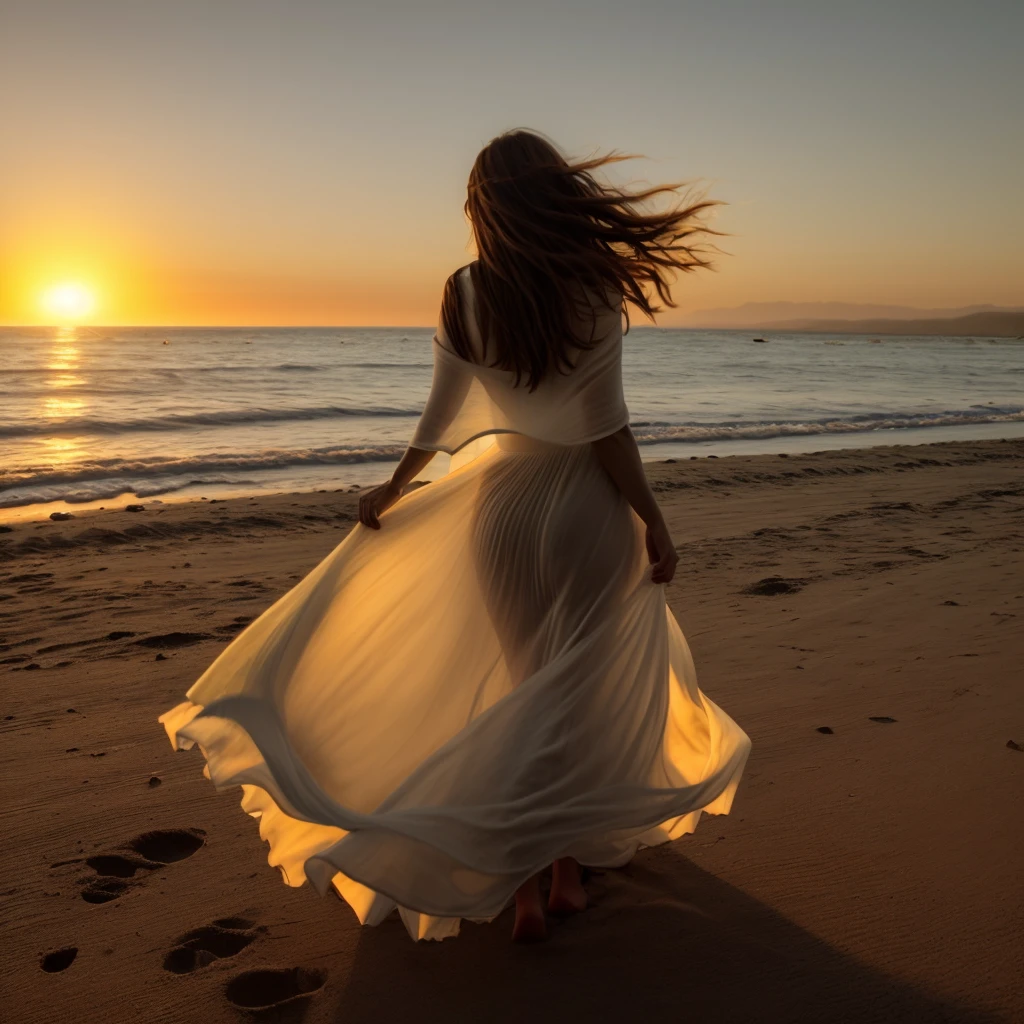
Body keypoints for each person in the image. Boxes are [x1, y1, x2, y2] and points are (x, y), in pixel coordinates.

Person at [160, 129, 750, 944]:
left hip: (503, 511)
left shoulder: (465, 290)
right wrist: (655, 517)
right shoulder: (592, 284)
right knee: (568, 698)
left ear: (485, 208)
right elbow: (607, 430)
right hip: (582, 509)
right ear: (559, 195)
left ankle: (529, 883)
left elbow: (439, 420)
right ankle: (565, 873)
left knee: (521, 685)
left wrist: (396, 487)